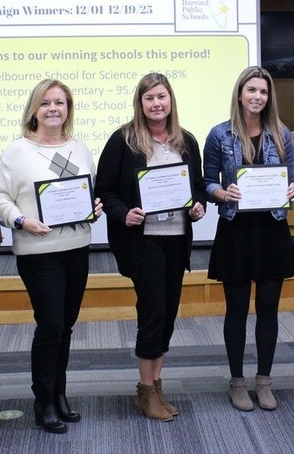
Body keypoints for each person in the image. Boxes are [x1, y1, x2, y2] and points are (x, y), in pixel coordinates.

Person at [0, 79, 103, 434]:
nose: (54, 108)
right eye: (46, 103)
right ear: (34, 110)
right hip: (39, 252)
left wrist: (94, 207)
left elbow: (88, 191)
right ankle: (44, 399)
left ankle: (59, 392)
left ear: (68, 108)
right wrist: (20, 220)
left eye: (60, 102)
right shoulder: (16, 151)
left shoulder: (81, 148)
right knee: (51, 325)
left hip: (77, 248)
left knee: (66, 326)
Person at [95, 73, 207, 422]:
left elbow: (198, 185)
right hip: (142, 242)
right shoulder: (123, 140)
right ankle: (145, 390)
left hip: (176, 241)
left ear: (170, 100)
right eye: (149, 99)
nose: (156, 104)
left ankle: (156, 385)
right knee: (153, 313)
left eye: (161, 97)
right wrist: (124, 213)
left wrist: (198, 205)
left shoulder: (186, 140)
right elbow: (105, 190)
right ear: (140, 103)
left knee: (168, 314)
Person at [203, 66, 294, 412]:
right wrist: (220, 191)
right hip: (236, 231)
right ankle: (236, 381)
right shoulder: (219, 134)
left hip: (272, 229)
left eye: (263, 91)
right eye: (252, 91)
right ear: (240, 94)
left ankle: (264, 380)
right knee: (236, 310)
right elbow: (205, 182)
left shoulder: (281, 133)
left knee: (269, 308)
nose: (257, 97)